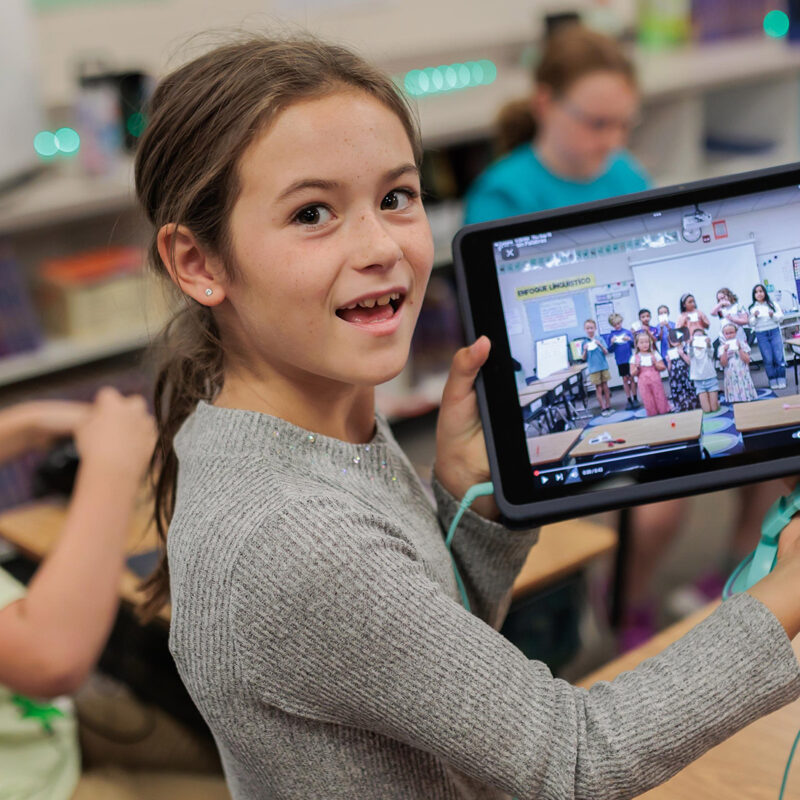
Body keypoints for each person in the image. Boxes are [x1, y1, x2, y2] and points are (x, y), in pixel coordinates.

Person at [134, 36, 800, 800]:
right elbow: (575, 759)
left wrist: (465, 512)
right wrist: (786, 591)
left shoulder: (322, 421)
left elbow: (429, 681)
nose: (380, 245)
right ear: (199, 263)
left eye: (396, 197)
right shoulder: (290, 532)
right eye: (312, 213)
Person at [0, 391, 229, 799]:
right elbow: (50, 658)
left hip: (35, 728)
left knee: (243, 753)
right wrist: (112, 465)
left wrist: (26, 422)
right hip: (34, 782)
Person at [463, 24, 649, 225]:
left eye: (623, 124)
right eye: (598, 124)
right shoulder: (503, 197)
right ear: (544, 105)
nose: (613, 142)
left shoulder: (627, 176)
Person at [749, 283, 786, 390]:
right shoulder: (752, 308)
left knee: (778, 357)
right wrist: (755, 317)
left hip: (774, 332)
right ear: (754, 295)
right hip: (761, 334)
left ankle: (781, 378)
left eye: (761, 291)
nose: (759, 294)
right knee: (768, 359)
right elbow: (751, 323)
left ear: (764, 292)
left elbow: (780, 318)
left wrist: (772, 315)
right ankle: (772, 379)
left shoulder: (772, 304)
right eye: (756, 292)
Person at [629, 330, 668, 416]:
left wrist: (656, 363)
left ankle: (664, 413)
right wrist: (637, 367)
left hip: (656, 381)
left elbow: (663, 368)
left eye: (646, 342)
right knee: (647, 399)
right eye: (641, 342)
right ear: (637, 345)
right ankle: (652, 415)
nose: (644, 344)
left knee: (660, 397)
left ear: (650, 343)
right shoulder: (635, 357)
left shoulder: (655, 354)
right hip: (643, 383)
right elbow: (632, 373)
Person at [606, 312, 638, 409]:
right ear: (612, 325)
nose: (617, 326)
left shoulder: (627, 332)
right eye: (615, 325)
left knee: (632, 378)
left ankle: (635, 398)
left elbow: (634, 346)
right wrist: (611, 343)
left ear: (621, 322)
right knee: (625, 380)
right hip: (620, 360)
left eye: (618, 323)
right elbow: (609, 350)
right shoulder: (611, 335)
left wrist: (630, 339)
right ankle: (629, 399)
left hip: (629, 359)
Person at [720, 321, 757, 403]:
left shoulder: (742, 344)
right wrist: (725, 351)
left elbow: (747, 360)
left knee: (745, 392)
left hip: (742, 371)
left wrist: (740, 348)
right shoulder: (722, 347)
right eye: (727, 333)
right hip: (730, 373)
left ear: (736, 333)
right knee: (734, 392)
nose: (729, 335)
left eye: (731, 332)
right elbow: (723, 363)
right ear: (723, 334)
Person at [581, 318, 612, 415]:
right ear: (585, 329)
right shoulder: (584, 342)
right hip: (593, 369)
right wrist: (585, 350)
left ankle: (608, 406)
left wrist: (600, 345)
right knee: (598, 388)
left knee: (605, 387)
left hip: (603, 366)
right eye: (587, 328)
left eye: (591, 328)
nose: (590, 330)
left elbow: (606, 352)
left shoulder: (600, 339)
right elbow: (583, 358)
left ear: (595, 328)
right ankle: (603, 408)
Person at [665, 326, 699, 412]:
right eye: (671, 339)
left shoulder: (686, 348)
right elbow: (669, 370)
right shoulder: (670, 351)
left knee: (689, 390)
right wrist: (668, 362)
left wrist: (682, 354)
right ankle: (681, 406)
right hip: (675, 377)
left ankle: (692, 405)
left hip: (686, 375)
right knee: (678, 392)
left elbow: (690, 363)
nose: (673, 341)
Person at [688, 327, 720, 412]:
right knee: (707, 410)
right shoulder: (691, 349)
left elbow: (710, 354)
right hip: (699, 382)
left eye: (700, 336)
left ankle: (716, 402)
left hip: (711, 379)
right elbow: (690, 354)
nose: (698, 338)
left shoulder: (708, 347)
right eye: (696, 336)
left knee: (714, 408)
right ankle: (711, 401)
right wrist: (690, 344)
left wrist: (708, 344)